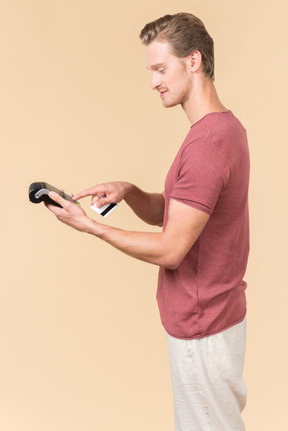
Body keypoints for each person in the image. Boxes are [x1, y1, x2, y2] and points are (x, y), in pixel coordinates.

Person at [45, 13, 250, 431]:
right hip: (213, 319)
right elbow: (181, 214)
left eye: (161, 69)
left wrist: (91, 227)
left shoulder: (208, 144)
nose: (153, 81)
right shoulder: (222, 129)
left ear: (193, 61)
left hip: (202, 327)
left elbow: (173, 249)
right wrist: (131, 192)